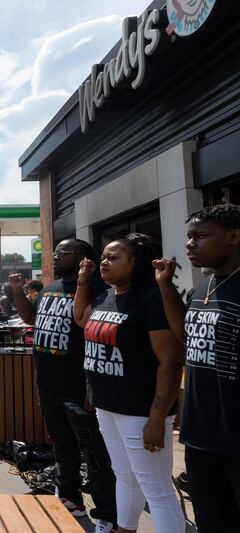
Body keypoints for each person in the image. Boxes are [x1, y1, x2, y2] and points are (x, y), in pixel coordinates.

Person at [73, 233, 185, 533]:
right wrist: (83, 281)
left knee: (156, 489)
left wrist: (158, 415)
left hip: (141, 411)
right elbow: (81, 318)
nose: (104, 262)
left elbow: (171, 361)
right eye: (103, 257)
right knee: (124, 475)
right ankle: (125, 528)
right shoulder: (106, 295)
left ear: (135, 263)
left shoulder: (151, 299)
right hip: (108, 407)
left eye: (114, 257)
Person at [11, 240, 117, 532]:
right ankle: (70, 497)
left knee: (94, 450)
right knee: (61, 442)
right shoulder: (50, 288)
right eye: (54, 253)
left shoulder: (98, 291)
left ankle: (108, 510)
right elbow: (30, 318)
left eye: (63, 254)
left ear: (84, 259)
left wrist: (91, 388)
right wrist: (18, 290)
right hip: (48, 383)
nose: (56, 258)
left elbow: (98, 340)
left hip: (78, 387)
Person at [154, 204, 240, 532]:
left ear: (233, 237)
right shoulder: (203, 286)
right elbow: (186, 336)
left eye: (200, 236)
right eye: (189, 236)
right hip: (201, 436)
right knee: (212, 522)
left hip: (236, 439)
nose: (190, 243)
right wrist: (165, 286)